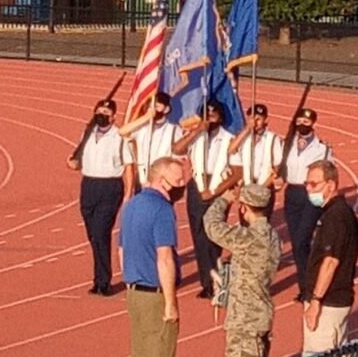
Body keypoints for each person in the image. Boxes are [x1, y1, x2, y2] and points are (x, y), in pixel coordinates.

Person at [119, 156, 185, 357]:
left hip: (134, 293)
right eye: (178, 180)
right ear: (162, 180)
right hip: (154, 296)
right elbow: (165, 257)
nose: (181, 185)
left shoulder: (132, 205)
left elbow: (122, 250)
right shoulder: (162, 210)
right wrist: (170, 303)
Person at [203, 184, 282, 357]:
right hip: (260, 313)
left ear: (244, 208)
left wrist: (223, 200)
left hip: (245, 321)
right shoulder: (272, 235)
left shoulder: (249, 237)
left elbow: (211, 225)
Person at [172, 98, 241, 299]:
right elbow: (177, 149)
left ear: (221, 116)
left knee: (214, 234)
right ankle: (208, 283)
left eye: (214, 113)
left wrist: (216, 191)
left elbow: (237, 172)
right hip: (197, 185)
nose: (210, 116)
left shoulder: (230, 138)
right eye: (207, 113)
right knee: (199, 235)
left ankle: (214, 279)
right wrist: (196, 131)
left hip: (218, 186)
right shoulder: (196, 136)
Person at [67, 98, 134, 296]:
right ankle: (99, 278)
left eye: (106, 113)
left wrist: (128, 193)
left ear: (113, 117)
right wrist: (72, 164)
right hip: (88, 186)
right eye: (99, 111)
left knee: (100, 232)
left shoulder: (120, 137)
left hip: (109, 187)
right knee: (92, 235)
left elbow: (129, 165)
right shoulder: (87, 134)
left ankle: (103, 281)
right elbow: (79, 161)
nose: (101, 116)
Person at [302, 159, 358, 357]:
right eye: (307, 184)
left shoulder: (336, 216)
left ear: (331, 185)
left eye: (314, 184)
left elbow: (330, 261)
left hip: (329, 302)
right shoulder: (333, 213)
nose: (309, 189)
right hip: (333, 300)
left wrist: (316, 300)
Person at [280, 107, 333, 302]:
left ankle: (309, 287)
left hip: (311, 195)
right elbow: (280, 166)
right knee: (297, 244)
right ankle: (305, 286)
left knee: (302, 240)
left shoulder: (322, 148)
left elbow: (328, 174)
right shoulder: (286, 144)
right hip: (292, 193)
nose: (302, 124)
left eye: (306, 122)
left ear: (313, 124)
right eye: (299, 121)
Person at [229, 104, 283, 218]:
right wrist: (247, 129)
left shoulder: (273, 138)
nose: (255, 122)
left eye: (258, 119)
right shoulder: (243, 137)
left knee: (262, 223)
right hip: (247, 186)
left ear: (265, 120)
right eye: (251, 118)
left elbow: (276, 167)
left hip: (264, 186)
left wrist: (261, 188)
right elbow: (231, 150)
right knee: (245, 222)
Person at [119, 91, 184, 187]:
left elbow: (179, 155)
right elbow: (122, 131)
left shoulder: (174, 129)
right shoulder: (142, 127)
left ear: (166, 109)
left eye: (157, 106)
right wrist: (146, 118)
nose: (153, 110)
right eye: (150, 107)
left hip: (163, 180)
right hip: (142, 177)